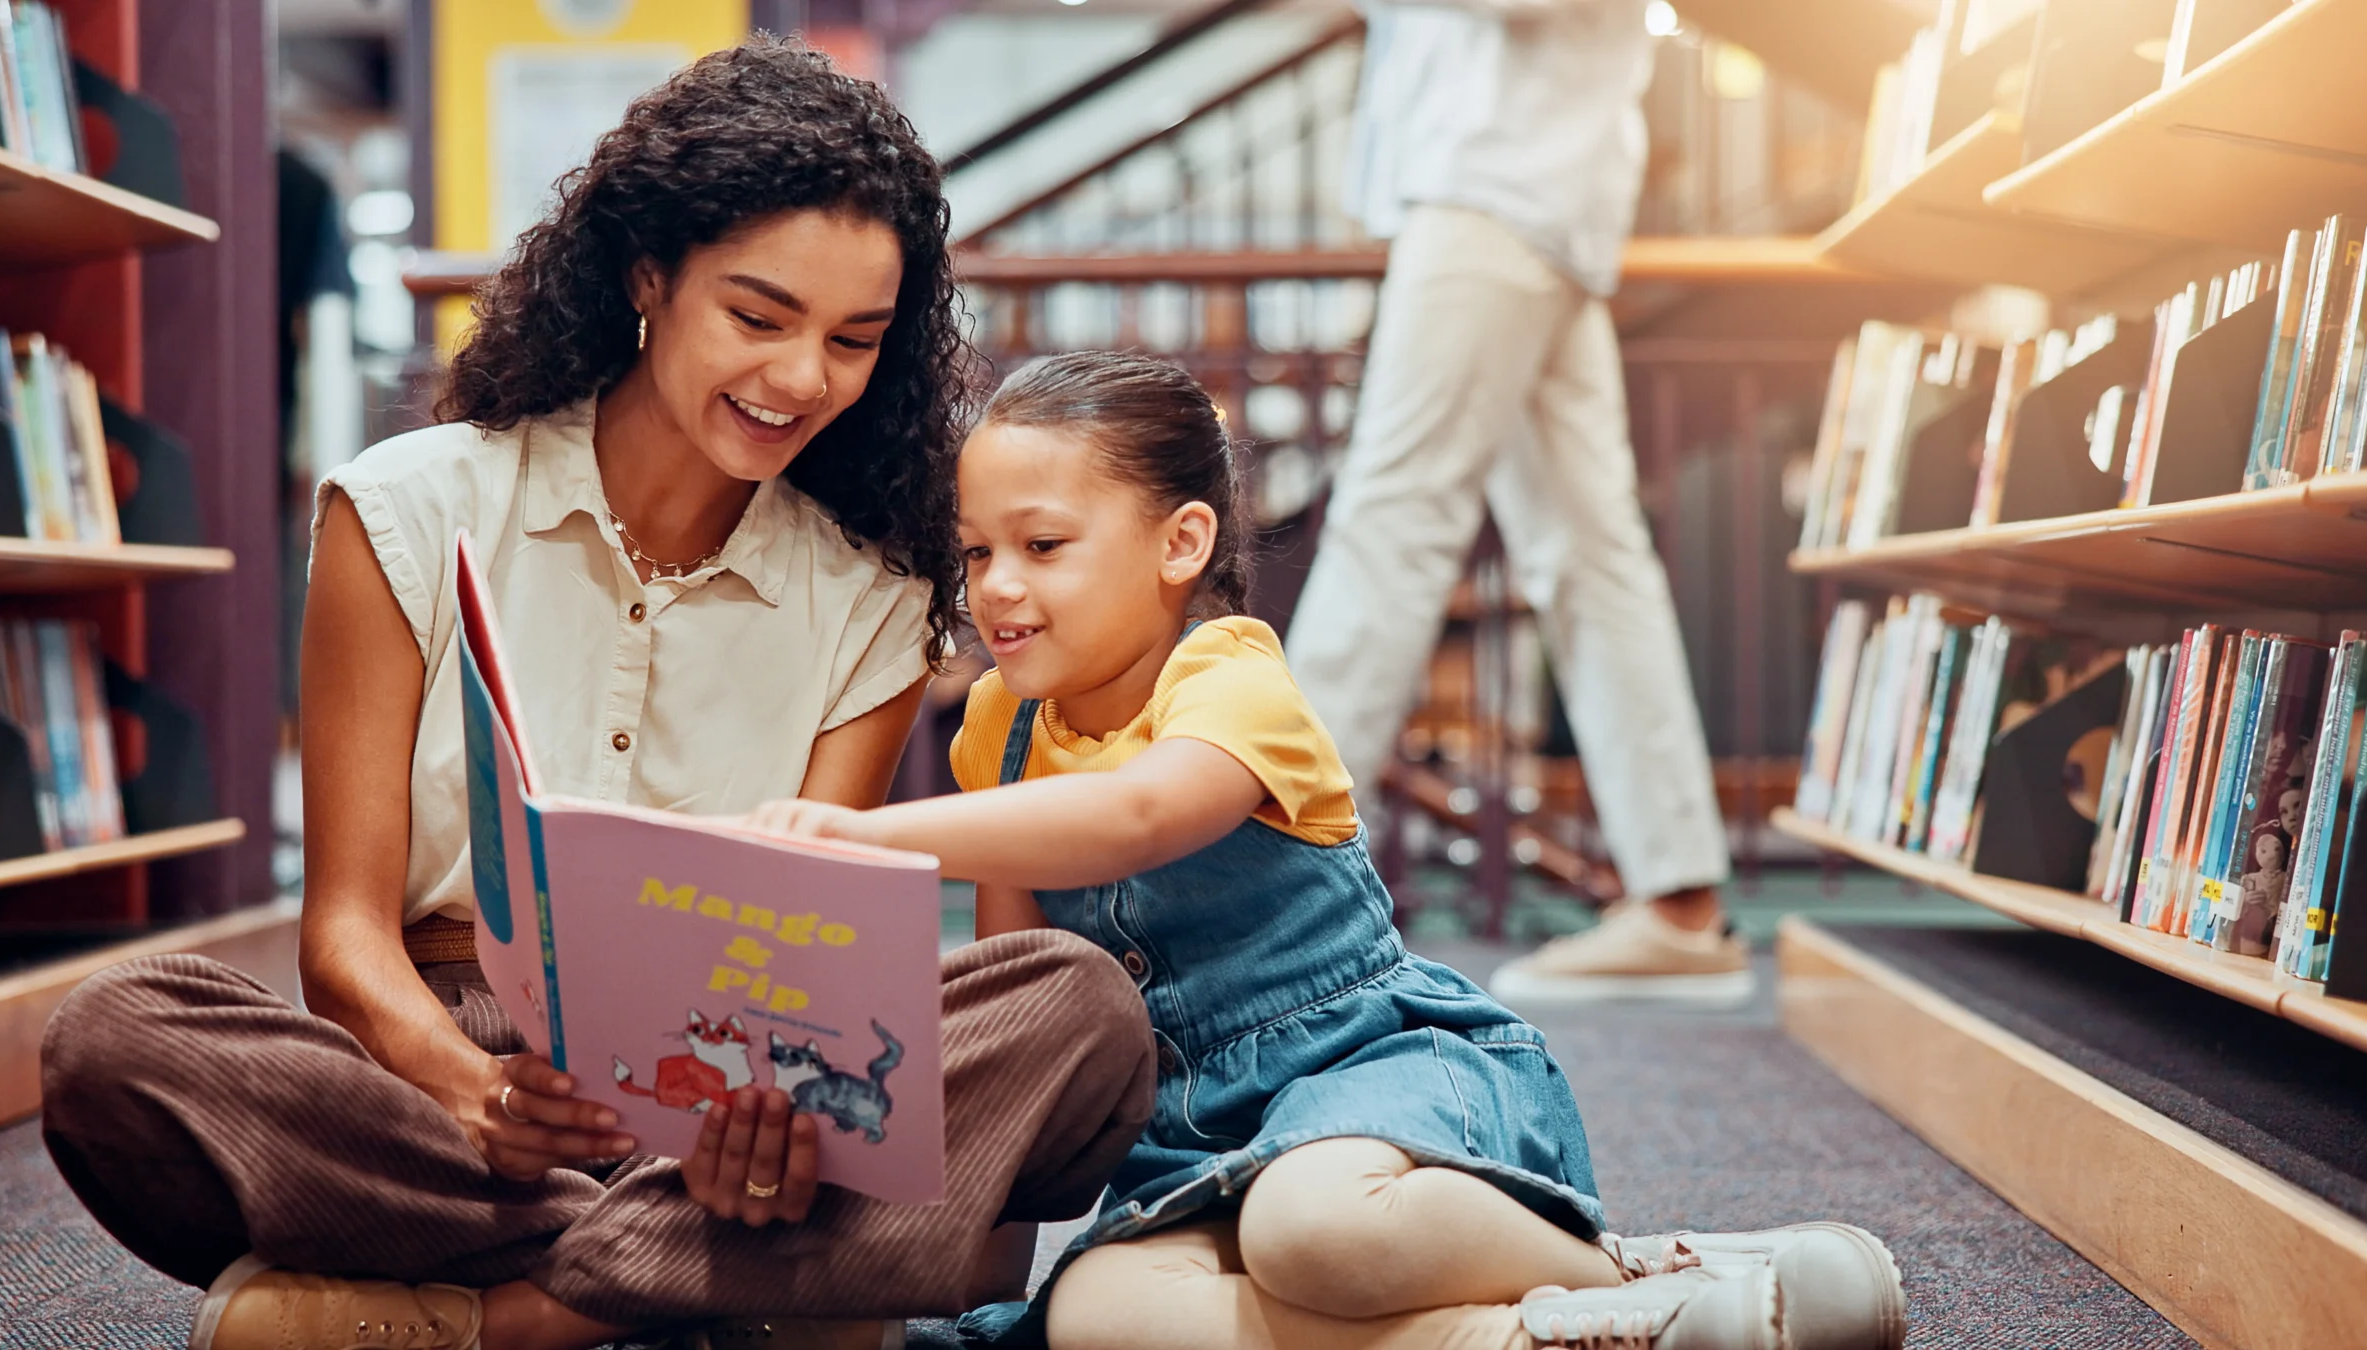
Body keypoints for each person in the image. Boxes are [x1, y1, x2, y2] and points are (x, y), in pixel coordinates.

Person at [36, 45, 1156, 1350]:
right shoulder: (408, 507)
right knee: (113, 1041)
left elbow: (818, 976)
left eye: (854, 341)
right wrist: (475, 1093)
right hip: (440, 1079)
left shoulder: (872, 599)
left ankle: (515, 1317)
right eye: (759, 315)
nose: (803, 378)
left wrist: (769, 1138)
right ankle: (729, 1282)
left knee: (1075, 1005)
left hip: (731, 1101)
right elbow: (342, 939)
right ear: (648, 278)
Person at [737, 352, 1906, 1350]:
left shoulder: (1232, 674)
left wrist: (866, 834)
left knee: (1317, 1229)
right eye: (975, 551)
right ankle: (1571, 1332)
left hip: (1363, 1075)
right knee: (1096, 1314)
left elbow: (1143, 814)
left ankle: (1635, 1276)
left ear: (1181, 541)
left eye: (1041, 545)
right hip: (1185, 1144)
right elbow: (1021, 1033)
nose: (996, 588)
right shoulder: (998, 731)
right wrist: (972, 1286)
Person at [1279, 0, 1747, 1001]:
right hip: (1517, 186)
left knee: (1391, 521)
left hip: (1496, 186)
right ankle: (1677, 901)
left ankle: (1271, 874)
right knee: (1587, 549)